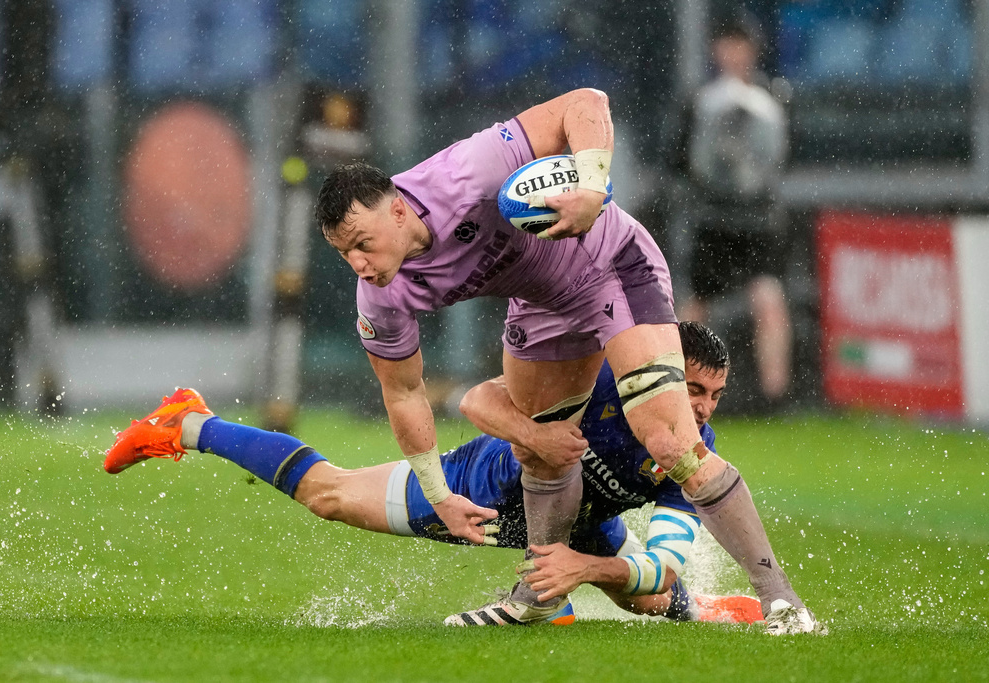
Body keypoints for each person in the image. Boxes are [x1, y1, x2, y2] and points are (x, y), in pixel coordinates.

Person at [314, 87, 814, 629]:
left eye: (362, 243)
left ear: (396, 209)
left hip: (612, 266)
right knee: (542, 451)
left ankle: (780, 599)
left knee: (670, 441)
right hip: (542, 307)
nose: (358, 263)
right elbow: (403, 393)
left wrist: (591, 184)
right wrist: (439, 496)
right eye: (343, 253)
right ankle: (542, 595)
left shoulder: (466, 172)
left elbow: (588, 102)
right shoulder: (381, 297)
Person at [104, 322, 820, 634]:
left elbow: (661, 553)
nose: (700, 410)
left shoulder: (695, 448)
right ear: (657, 372)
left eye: (714, 398)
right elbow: (475, 399)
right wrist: (532, 434)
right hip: (481, 490)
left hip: (578, 519)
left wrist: (582, 564)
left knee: (649, 591)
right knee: (328, 495)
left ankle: (709, 608)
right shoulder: (598, 378)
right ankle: (189, 423)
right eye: (692, 390)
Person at [664, 19, 793, 407]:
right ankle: (678, 388)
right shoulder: (698, 99)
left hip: (758, 219)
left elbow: (782, 156)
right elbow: (678, 159)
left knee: (769, 300)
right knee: (696, 308)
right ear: (716, 50)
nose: (734, 54)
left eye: (741, 45)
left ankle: (776, 398)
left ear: (753, 50)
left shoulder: (776, 96)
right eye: (727, 45)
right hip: (712, 217)